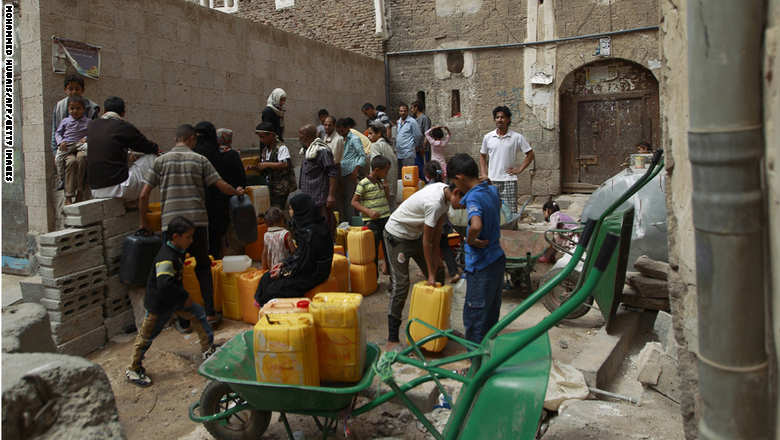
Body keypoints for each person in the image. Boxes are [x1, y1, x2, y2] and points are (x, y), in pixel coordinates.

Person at [139, 124, 244, 329]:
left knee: (172, 273)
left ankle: (183, 319)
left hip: (171, 225)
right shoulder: (200, 160)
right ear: (191, 139)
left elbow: (143, 195)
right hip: (197, 223)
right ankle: (210, 314)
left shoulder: (160, 161)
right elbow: (220, 185)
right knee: (203, 267)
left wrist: (143, 223)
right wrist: (236, 192)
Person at [125, 216, 217, 387]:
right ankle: (133, 368)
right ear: (176, 237)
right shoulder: (166, 258)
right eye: (188, 237)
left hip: (173, 301)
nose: (191, 240)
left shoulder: (177, 252)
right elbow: (165, 285)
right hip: (159, 305)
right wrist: (184, 297)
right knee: (146, 336)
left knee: (198, 315)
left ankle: (208, 350)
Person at [383, 172, 453, 349]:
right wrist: (429, 273)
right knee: (402, 283)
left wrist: (437, 262)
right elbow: (427, 242)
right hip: (397, 236)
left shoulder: (445, 196)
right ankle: (392, 338)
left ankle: (438, 325)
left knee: (439, 271)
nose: (463, 206)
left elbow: (436, 236)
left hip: (414, 235)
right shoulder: (435, 202)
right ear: (457, 192)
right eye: (464, 200)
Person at [447, 153, 505, 343]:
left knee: (475, 319)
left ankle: (474, 368)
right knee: (490, 315)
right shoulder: (490, 190)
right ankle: (487, 360)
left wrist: (471, 240)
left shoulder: (473, 198)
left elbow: (476, 225)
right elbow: (493, 206)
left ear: (460, 177)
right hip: (496, 258)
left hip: (481, 265)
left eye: (454, 183)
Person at [254, 193, 334, 306]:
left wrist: (283, 272)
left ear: (301, 209)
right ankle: (261, 305)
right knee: (267, 277)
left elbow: (305, 264)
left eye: (291, 208)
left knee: (272, 290)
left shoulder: (312, 233)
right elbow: (299, 255)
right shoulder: (306, 227)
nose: (290, 212)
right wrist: (284, 264)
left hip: (314, 273)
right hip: (305, 268)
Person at [88, 97, 159, 201]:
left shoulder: (91, 125)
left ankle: (131, 201)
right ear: (123, 113)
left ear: (104, 111)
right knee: (153, 158)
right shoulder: (123, 126)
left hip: (95, 190)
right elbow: (148, 147)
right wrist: (157, 150)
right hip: (118, 188)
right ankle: (140, 200)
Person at [194, 121, 246, 259]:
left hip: (196, 204)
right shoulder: (225, 154)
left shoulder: (195, 153)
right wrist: (236, 191)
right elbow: (236, 179)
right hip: (221, 201)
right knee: (219, 236)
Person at [478, 105, 534, 216]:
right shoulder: (488, 137)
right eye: (497, 117)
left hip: (509, 180)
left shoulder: (516, 137)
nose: (500, 120)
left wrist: (519, 169)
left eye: (502, 117)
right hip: (492, 180)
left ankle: (512, 231)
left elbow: (530, 154)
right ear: (494, 119)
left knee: (510, 212)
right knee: (492, 210)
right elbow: (482, 156)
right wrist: (484, 174)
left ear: (508, 119)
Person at [51, 74, 100, 190]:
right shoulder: (59, 107)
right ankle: (64, 185)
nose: (74, 92)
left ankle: (82, 189)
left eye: (77, 89)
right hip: (66, 146)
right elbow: (55, 131)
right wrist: (56, 150)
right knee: (70, 163)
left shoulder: (92, 108)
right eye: (70, 89)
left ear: (82, 90)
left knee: (82, 159)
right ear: (65, 90)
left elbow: (96, 131)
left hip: (82, 145)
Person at [352, 155, 392, 278]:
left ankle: (392, 276)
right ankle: (373, 278)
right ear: (377, 170)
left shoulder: (381, 182)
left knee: (389, 250)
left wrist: (386, 190)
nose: (387, 173)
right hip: (372, 221)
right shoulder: (363, 184)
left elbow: (386, 198)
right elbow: (354, 202)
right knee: (372, 251)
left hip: (386, 219)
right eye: (386, 171)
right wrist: (368, 212)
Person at [424, 161, 460, 283]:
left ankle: (431, 271)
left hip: (433, 222)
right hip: (444, 221)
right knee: (445, 247)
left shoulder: (428, 188)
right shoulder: (445, 185)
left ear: (427, 174)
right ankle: (453, 272)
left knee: (430, 245)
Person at [297, 124, 338, 233]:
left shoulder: (322, 151)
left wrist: (331, 195)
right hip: (308, 195)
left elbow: (333, 173)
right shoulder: (307, 150)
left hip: (320, 195)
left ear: (307, 135)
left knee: (325, 221)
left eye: (300, 134)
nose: (299, 137)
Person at [54, 96, 90, 205]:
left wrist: (87, 138)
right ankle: (67, 193)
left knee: (83, 157)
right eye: (72, 109)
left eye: (78, 108)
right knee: (68, 161)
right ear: (68, 110)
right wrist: (60, 142)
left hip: (80, 145)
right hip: (68, 146)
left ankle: (80, 191)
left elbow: (94, 132)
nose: (75, 111)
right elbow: (57, 133)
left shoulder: (88, 121)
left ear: (84, 109)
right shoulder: (65, 121)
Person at [253, 121, 296, 209]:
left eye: (262, 137)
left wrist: (266, 164)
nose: (261, 140)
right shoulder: (265, 149)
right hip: (271, 186)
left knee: (278, 209)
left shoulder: (281, 148)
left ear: (271, 135)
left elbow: (284, 164)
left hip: (281, 187)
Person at [335, 118, 367, 220]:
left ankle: (353, 223)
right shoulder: (339, 139)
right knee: (342, 200)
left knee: (351, 200)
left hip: (350, 173)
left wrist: (356, 170)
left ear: (347, 128)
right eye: (338, 130)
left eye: (342, 130)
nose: (340, 132)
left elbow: (362, 156)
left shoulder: (354, 139)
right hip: (341, 173)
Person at [539, 199, 579, 264]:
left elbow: (554, 227)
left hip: (570, 236)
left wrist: (549, 230)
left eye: (544, 212)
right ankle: (550, 256)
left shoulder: (553, 216)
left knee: (555, 239)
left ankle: (548, 256)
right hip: (574, 234)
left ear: (547, 210)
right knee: (555, 239)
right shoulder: (561, 214)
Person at [367, 122, 398, 208]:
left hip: (382, 184)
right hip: (391, 184)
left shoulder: (375, 145)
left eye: (371, 133)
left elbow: (376, 166)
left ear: (379, 133)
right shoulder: (388, 146)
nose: (368, 136)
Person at [261, 207, 296, 271]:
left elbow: (264, 253)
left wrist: (263, 269)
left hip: (272, 269)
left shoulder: (266, 235)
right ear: (282, 220)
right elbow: (293, 251)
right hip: (284, 268)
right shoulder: (285, 234)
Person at [395, 103, 422, 178]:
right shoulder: (399, 121)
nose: (403, 113)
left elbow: (418, 135)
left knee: (408, 175)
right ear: (399, 112)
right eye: (401, 111)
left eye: (404, 111)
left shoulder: (412, 121)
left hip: (408, 152)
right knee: (400, 176)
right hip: (399, 153)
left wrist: (413, 146)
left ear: (407, 112)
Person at [410, 100, 431, 177]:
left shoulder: (424, 118)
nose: (411, 110)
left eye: (412, 108)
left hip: (423, 148)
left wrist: (424, 146)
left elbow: (427, 133)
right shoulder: (414, 119)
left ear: (416, 108)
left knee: (424, 166)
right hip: (416, 148)